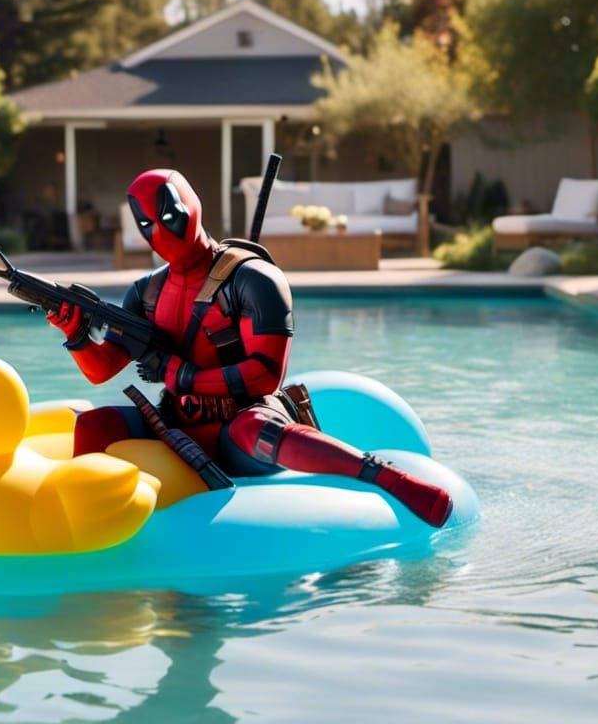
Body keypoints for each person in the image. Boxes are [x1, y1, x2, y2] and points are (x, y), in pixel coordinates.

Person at [47, 168, 452, 527]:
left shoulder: (253, 278)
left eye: (169, 216)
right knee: (94, 424)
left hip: (240, 424)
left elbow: (264, 373)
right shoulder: (146, 293)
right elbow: (102, 369)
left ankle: (382, 475)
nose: (161, 232)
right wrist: (77, 336)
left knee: (253, 428)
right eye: (147, 224)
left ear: (193, 207)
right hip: (175, 428)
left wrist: (180, 374)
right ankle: (77, 520)